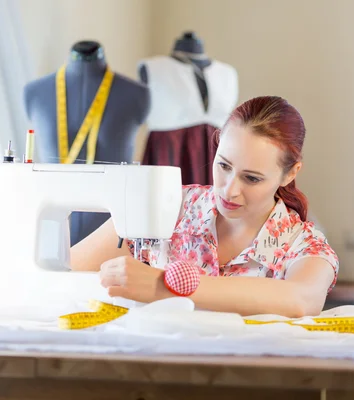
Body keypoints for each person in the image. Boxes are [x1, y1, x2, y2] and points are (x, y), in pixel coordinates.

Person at [70, 96, 339, 318]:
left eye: (252, 178)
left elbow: (302, 299)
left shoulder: (303, 245)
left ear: (291, 173)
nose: (230, 190)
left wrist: (163, 287)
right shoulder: (168, 207)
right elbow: (68, 268)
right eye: (223, 165)